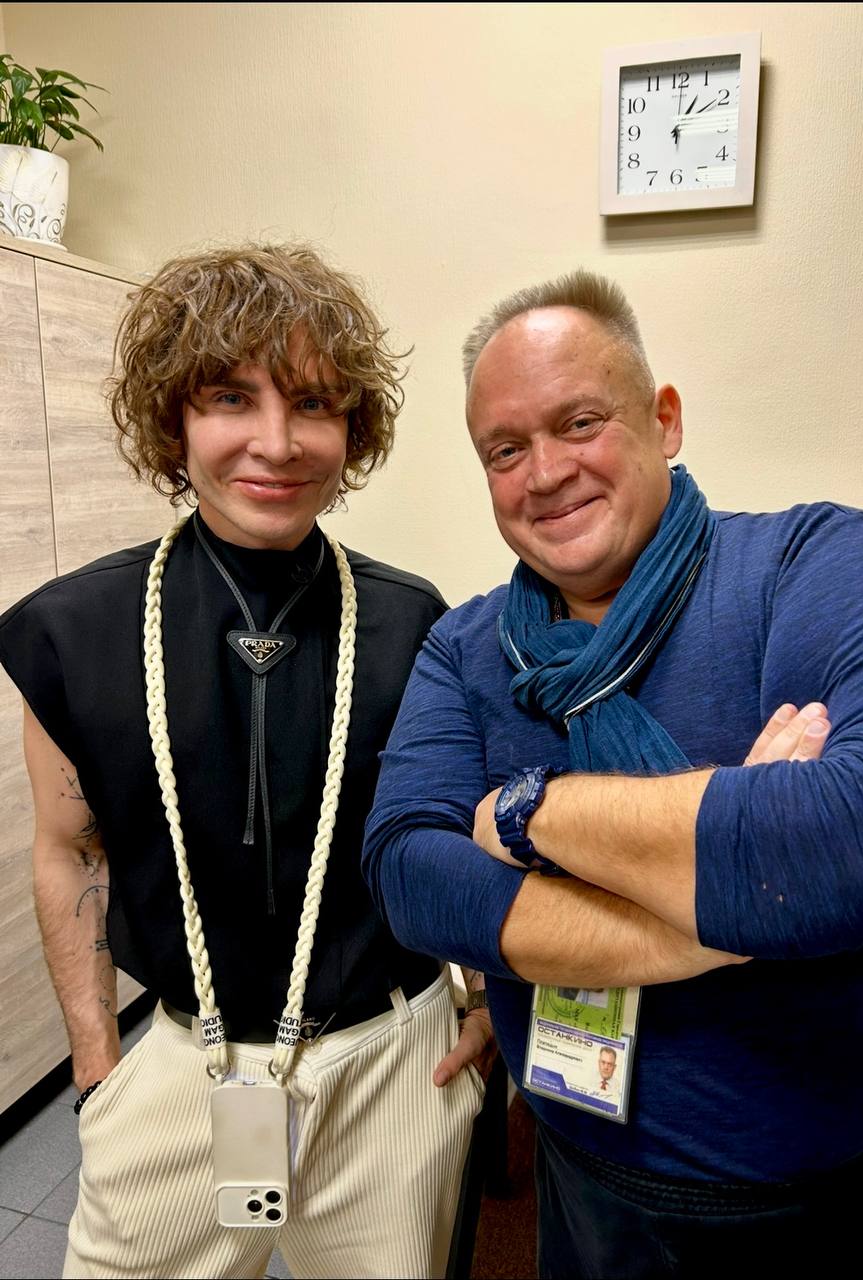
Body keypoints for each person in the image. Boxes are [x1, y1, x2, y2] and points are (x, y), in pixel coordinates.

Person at [363, 270, 863, 1279]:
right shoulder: (464, 648)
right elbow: (411, 875)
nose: (545, 472)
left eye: (579, 422)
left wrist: (528, 811)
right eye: (505, 450)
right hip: (597, 1178)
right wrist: (724, 909)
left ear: (664, 419)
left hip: (858, 1180)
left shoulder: (814, 559)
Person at [0, 244, 492, 1280]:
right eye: (231, 396)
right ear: (172, 420)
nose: (276, 441)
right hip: (182, 1069)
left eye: (312, 403)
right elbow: (69, 848)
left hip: (388, 1064)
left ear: (352, 428)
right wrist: (96, 1063)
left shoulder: (416, 625)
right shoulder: (75, 631)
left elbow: (461, 831)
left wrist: (489, 1000)